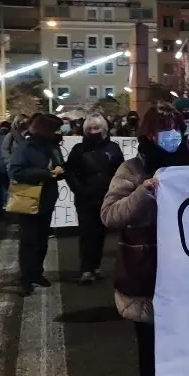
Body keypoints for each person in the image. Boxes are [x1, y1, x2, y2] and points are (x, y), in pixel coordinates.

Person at [100, 103, 189, 376]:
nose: (172, 135)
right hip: (149, 278)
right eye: (164, 128)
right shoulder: (131, 169)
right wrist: (144, 192)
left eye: (176, 127)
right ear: (148, 134)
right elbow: (110, 215)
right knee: (154, 354)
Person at [8, 114, 64, 295]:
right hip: (29, 199)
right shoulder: (25, 147)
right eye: (55, 129)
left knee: (41, 239)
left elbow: (60, 166)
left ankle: (37, 273)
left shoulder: (53, 146)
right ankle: (26, 277)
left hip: (47, 199)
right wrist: (46, 173)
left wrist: (61, 170)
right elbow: (16, 171)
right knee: (28, 240)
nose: (58, 132)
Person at [64, 114, 123, 285]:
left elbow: (120, 170)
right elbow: (70, 172)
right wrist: (79, 189)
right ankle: (86, 269)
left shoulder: (113, 148)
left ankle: (95, 266)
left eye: (96, 128)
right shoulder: (78, 150)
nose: (93, 131)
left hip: (106, 197)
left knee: (100, 233)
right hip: (85, 198)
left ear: (103, 129)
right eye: (90, 129)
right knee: (87, 233)